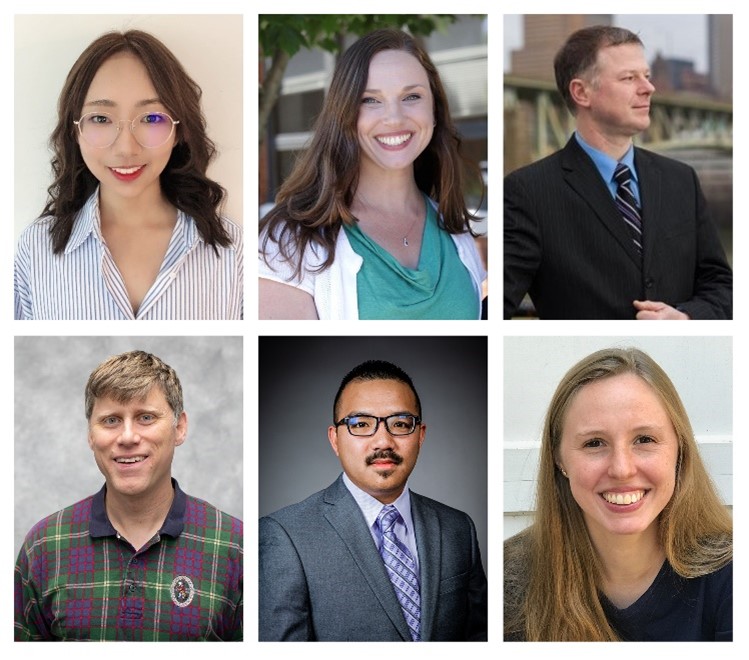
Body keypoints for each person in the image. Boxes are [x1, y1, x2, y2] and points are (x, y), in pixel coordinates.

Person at [504, 26, 732, 320]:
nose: (648, 88)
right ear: (581, 92)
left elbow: (722, 285)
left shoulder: (682, 180)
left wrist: (687, 317)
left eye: (647, 76)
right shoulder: (528, 192)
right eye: (629, 78)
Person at [504, 348, 732, 641]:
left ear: (680, 449)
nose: (622, 469)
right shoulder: (507, 576)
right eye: (594, 443)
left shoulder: (734, 574)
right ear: (559, 460)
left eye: (645, 439)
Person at [14, 351, 243, 641]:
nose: (127, 437)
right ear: (90, 434)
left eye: (145, 417)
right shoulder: (45, 546)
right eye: (110, 420)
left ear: (179, 428)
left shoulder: (234, 546)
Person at [14, 30, 243, 320]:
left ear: (179, 131)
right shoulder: (36, 247)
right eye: (101, 118)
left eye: (151, 118)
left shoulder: (234, 251)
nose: (126, 148)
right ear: (75, 131)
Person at [259, 28, 485, 319]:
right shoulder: (288, 243)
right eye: (370, 100)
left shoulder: (456, 233)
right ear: (345, 115)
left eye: (412, 96)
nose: (394, 118)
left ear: (435, 110)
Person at [259, 360, 487, 640]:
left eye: (401, 424)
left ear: (420, 436)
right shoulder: (285, 535)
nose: (383, 442)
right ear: (335, 439)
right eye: (361, 424)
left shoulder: (458, 528)